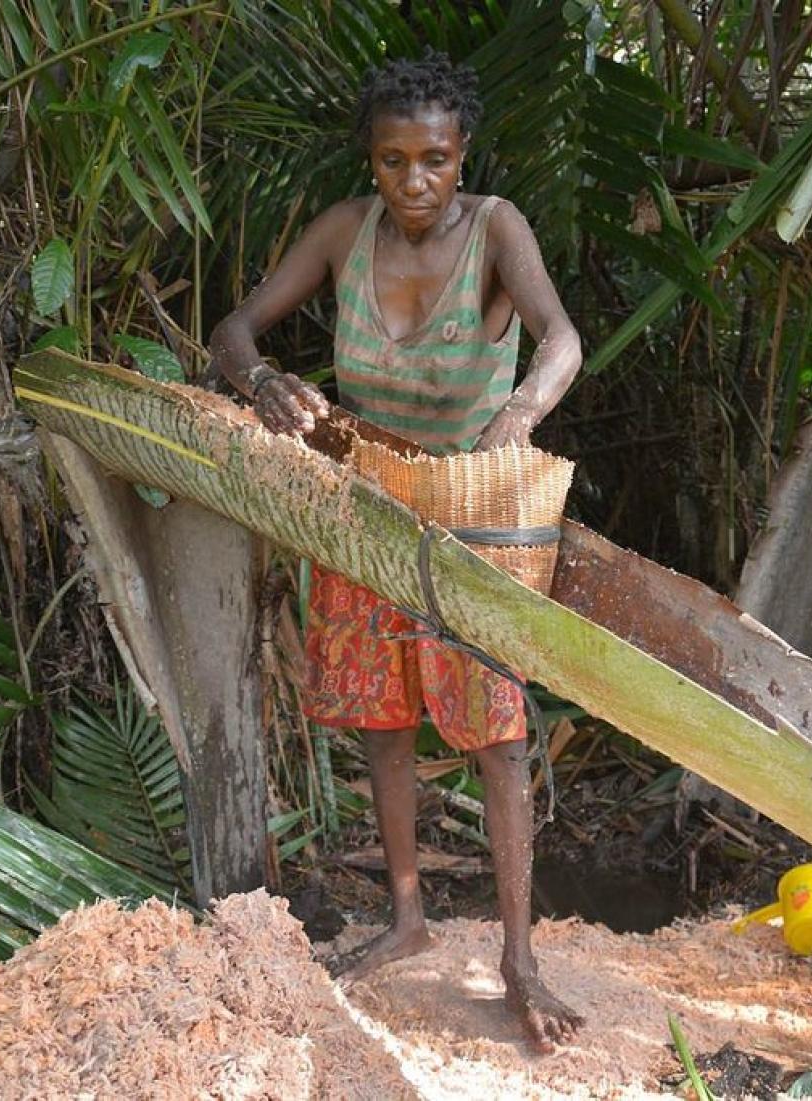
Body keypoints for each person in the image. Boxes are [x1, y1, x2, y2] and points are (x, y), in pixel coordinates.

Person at [207, 51, 584, 1052]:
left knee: (497, 734)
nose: (413, 181)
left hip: (469, 513)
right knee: (384, 722)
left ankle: (518, 957)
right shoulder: (345, 230)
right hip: (360, 503)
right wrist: (262, 386)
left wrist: (520, 411)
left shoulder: (498, 229)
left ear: (464, 156)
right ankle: (408, 919)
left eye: (433, 160)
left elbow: (560, 340)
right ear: (369, 163)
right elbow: (235, 327)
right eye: (392, 161)